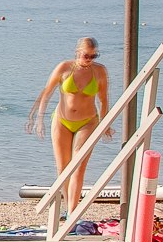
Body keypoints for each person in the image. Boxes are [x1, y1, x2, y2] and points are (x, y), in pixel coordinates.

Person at [30, 37, 113, 199]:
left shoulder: (100, 71)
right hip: (62, 121)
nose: (89, 60)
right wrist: (39, 119)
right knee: (63, 168)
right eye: (86, 55)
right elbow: (47, 93)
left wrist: (105, 124)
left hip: (88, 122)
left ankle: (72, 212)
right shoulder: (64, 68)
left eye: (93, 56)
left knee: (78, 166)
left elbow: (103, 100)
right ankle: (68, 207)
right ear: (77, 52)